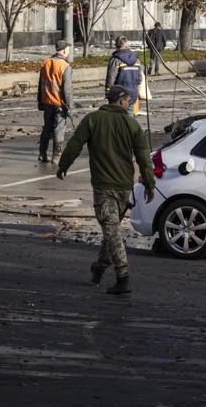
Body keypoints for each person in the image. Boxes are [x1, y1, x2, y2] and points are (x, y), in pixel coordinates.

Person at [56, 86, 155, 296]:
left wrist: (63, 166)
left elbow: (75, 144)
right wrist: (149, 184)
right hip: (123, 187)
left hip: (104, 187)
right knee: (112, 232)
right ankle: (111, 272)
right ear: (119, 101)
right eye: (128, 101)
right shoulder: (132, 125)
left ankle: (112, 272)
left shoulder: (92, 119)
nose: (129, 104)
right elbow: (144, 159)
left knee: (112, 233)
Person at [37, 40, 73, 164]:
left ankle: (42, 153)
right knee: (59, 129)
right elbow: (67, 90)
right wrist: (70, 107)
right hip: (59, 104)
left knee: (47, 128)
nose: (68, 52)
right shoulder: (65, 66)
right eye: (68, 50)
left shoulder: (46, 62)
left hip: (47, 101)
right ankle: (56, 156)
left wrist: (40, 102)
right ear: (63, 51)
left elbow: (40, 84)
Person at [104, 37, 142, 110]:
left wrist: (108, 92)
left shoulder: (115, 60)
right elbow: (139, 79)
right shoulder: (136, 60)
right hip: (132, 93)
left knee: (117, 118)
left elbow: (110, 78)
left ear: (117, 46)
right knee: (129, 116)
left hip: (118, 95)